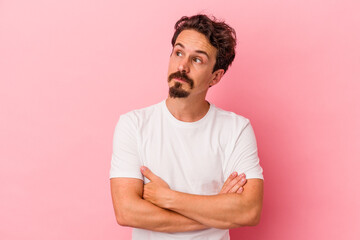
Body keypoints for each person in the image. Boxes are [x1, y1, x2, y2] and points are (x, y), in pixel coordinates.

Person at [110, 14, 264, 240]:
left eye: (197, 59)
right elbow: (126, 212)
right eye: (179, 53)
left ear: (215, 77)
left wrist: (169, 198)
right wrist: (216, 210)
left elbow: (249, 211)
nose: (182, 66)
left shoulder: (236, 129)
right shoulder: (133, 125)